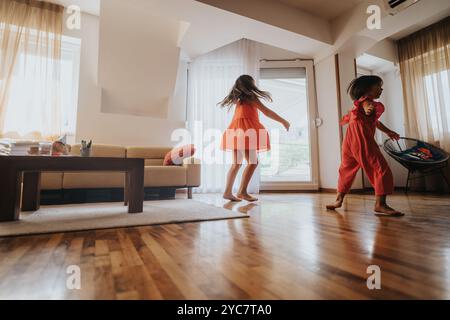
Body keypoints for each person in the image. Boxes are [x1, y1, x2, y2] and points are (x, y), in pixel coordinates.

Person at [326, 75, 404, 216]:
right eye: (378, 86)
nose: (381, 89)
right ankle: (380, 204)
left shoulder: (362, 104)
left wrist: (388, 131)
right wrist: (369, 108)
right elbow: (367, 106)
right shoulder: (366, 101)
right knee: (381, 168)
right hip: (361, 140)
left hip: (349, 142)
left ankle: (338, 200)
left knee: (346, 169)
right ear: (367, 89)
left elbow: (376, 122)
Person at [220, 75, 290, 202]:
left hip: (235, 131)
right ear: (250, 85)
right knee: (253, 162)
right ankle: (241, 191)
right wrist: (283, 121)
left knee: (236, 164)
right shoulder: (251, 97)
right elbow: (267, 112)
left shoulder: (238, 99)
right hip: (246, 132)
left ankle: (228, 192)